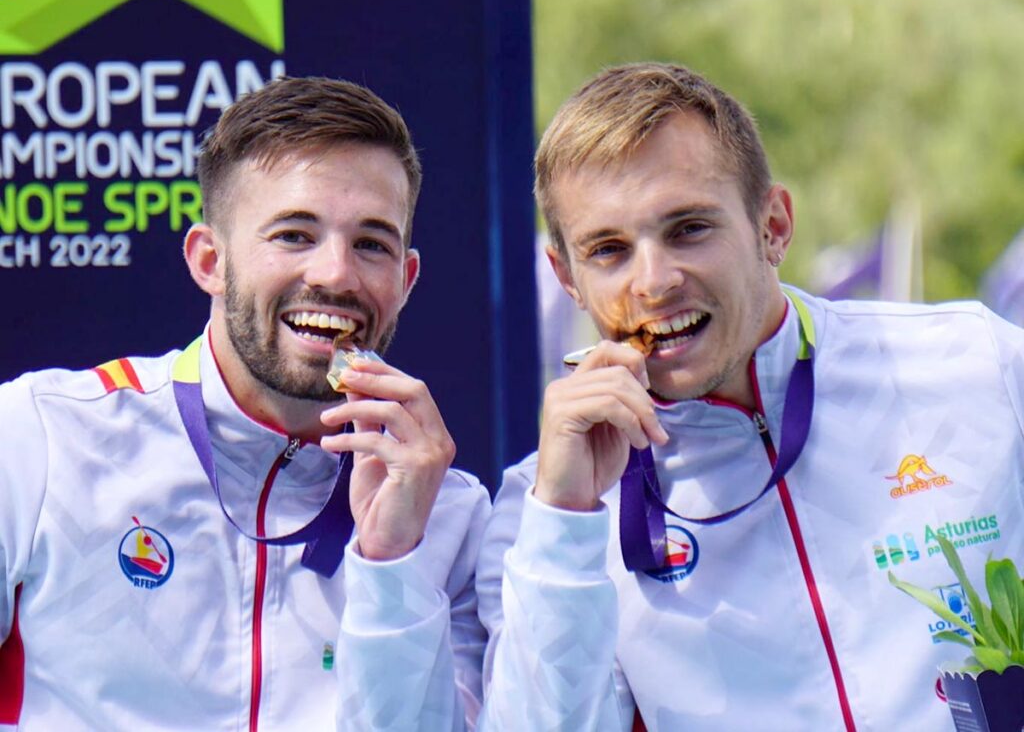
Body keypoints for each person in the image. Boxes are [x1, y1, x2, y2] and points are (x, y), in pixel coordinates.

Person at [476, 62, 1024, 731]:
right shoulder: (545, 510)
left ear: (774, 226)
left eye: (688, 229)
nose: (653, 281)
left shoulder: (978, 363)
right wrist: (566, 518)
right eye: (610, 250)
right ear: (567, 277)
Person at [0, 76, 489, 730]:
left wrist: (390, 564)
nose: (335, 274)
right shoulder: (43, 434)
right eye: (293, 235)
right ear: (210, 260)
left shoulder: (449, 514)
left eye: (371, 243)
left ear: (405, 281)